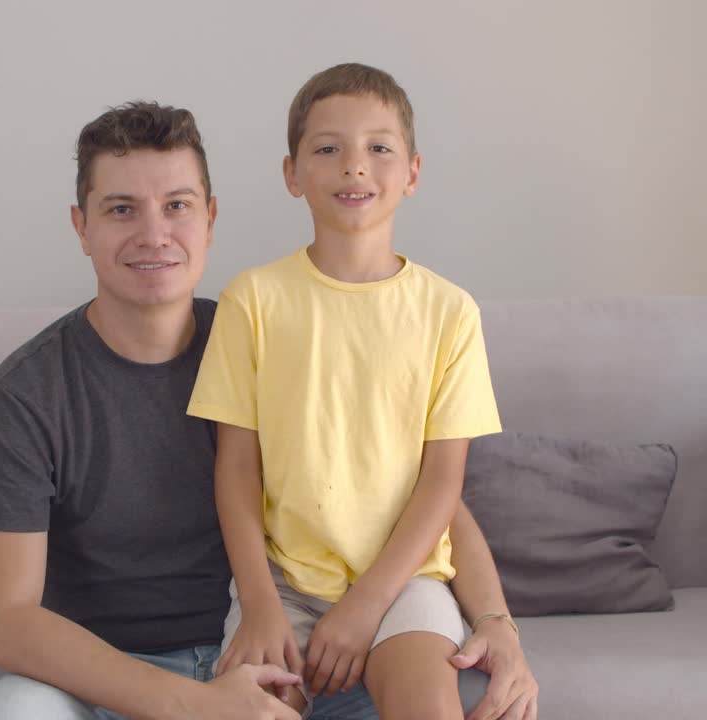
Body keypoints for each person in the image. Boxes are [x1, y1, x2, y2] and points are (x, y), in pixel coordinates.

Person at [0, 99, 537, 720]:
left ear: (210, 219)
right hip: (107, 674)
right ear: (82, 227)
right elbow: (3, 621)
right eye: (121, 209)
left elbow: (420, 491)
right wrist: (196, 705)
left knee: (468, 695)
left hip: (286, 654)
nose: (153, 234)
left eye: (178, 206)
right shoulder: (27, 393)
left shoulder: (265, 334)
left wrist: (495, 620)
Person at [187, 63, 522, 720]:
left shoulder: (450, 312)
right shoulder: (253, 300)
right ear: (292, 174)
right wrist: (258, 604)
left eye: (379, 147)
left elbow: (441, 483)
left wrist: (367, 604)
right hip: (283, 585)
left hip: (405, 582)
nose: (355, 166)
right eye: (328, 148)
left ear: (413, 172)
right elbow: (237, 470)